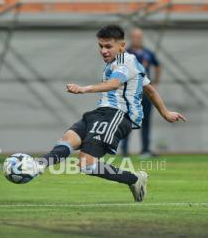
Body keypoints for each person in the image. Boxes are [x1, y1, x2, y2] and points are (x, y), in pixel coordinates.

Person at [36, 25, 186, 202]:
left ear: (122, 46)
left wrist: (83, 89)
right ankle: (34, 167)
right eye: (100, 46)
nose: (103, 51)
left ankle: (135, 179)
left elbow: (114, 83)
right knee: (68, 140)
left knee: (86, 164)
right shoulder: (122, 63)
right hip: (101, 113)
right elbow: (150, 90)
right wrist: (165, 113)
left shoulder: (125, 61)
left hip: (118, 115)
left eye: (108, 46)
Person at [121, 28, 161, 158]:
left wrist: (155, 82)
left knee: (146, 120)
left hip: (146, 93)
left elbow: (157, 65)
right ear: (130, 38)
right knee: (128, 120)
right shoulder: (126, 54)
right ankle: (124, 151)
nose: (137, 39)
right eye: (135, 37)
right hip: (131, 93)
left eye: (139, 37)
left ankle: (145, 150)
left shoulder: (148, 53)